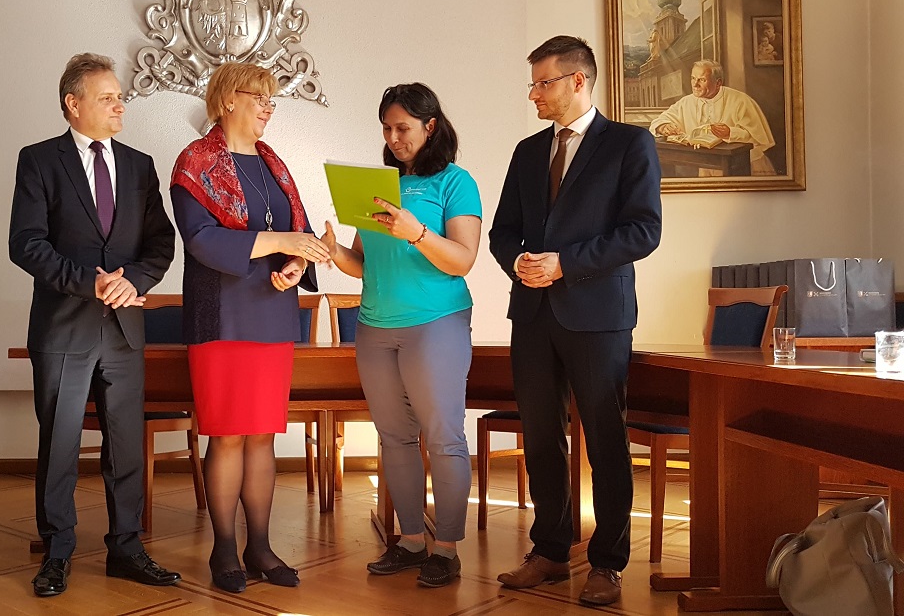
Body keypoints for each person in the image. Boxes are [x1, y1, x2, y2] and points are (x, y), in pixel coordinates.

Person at [489, 35, 662, 606]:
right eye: (533, 83)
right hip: (532, 312)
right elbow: (503, 231)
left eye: (543, 82)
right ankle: (550, 551)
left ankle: (608, 563)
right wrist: (518, 262)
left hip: (598, 314)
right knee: (541, 437)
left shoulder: (630, 144)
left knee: (606, 440)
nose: (533, 94)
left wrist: (566, 263)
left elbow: (644, 231)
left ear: (578, 81)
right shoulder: (527, 151)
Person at [8, 53, 178, 597]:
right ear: (73, 104)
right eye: (108, 98)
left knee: (125, 445)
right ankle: (57, 552)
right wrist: (91, 282)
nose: (120, 105)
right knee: (59, 444)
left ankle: (126, 549)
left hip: (125, 328)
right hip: (63, 326)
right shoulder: (39, 160)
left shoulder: (139, 165)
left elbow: (161, 242)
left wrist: (134, 282)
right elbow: (26, 244)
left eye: (120, 97)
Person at [170, 62, 328, 594]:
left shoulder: (273, 163)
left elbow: (299, 232)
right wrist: (282, 243)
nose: (267, 107)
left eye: (271, 99)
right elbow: (201, 240)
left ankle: (259, 546)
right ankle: (223, 548)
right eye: (258, 97)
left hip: (272, 312)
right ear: (227, 100)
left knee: (263, 435)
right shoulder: (194, 162)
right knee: (228, 435)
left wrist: (297, 262)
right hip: (220, 314)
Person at [320, 83, 481, 589]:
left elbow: (463, 260)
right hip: (374, 327)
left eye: (403, 128)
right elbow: (362, 263)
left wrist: (417, 233)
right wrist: (332, 252)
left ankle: (446, 549)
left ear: (430, 127)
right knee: (394, 437)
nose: (393, 138)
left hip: (436, 323)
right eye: (387, 129)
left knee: (444, 437)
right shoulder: (379, 185)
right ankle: (411, 541)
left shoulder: (455, 183)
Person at [648, 60, 777, 176]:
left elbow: (757, 137)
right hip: (707, 167)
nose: (695, 84)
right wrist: (663, 126)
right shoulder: (686, 102)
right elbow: (660, 120)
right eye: (693, 78)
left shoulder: (740, 101)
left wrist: (730, 133)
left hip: (746, 165)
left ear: (718, 83)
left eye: (702, 80)